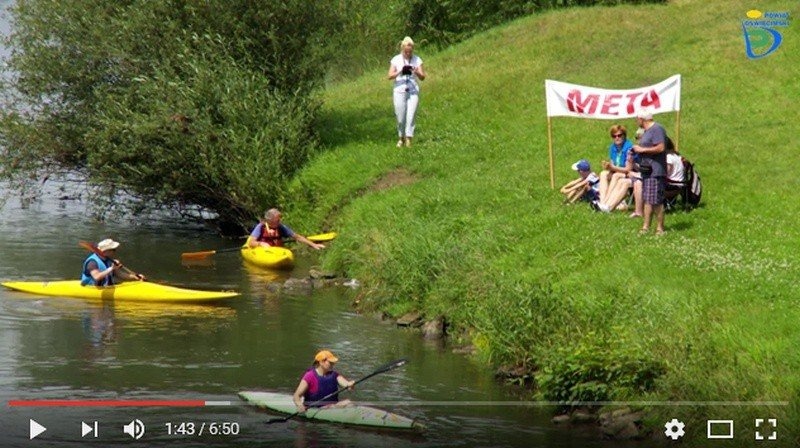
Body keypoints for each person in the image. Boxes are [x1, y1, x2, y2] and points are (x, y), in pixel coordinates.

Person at [591, 125, 644, 215]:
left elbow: (628, 169)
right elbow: (613, 163)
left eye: (619, 135)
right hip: (618, 171)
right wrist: (608, 166)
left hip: (629, 173)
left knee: (616, 175)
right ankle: (603, 201)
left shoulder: (629, 148)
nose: (617, 138)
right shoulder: (613, 148)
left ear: (624, 135)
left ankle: (605, 203)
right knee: (603, 173)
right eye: (614, 136)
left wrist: (612, 168)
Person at [632, 108, 668, 235]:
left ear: (641, 119)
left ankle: (660, 228)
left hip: (655, 170)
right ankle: (646, 226)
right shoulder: (646, 131)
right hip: (647, 170)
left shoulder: (657, 129)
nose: (637, 122)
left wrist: (642, 150)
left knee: (656, 201)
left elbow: (661, 147)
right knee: (647, 199)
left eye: (637, 119)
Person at [387, 36, 426, 148]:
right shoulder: (396, 59)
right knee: (400, 116)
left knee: (411, 114)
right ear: (402, 49)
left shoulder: (417, 59)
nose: (408, 54)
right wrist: (400, 71)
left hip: (413, 90)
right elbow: (389, 76)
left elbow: (423, 77)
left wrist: (416, 72)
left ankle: (409, 138)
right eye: (406, 52)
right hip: (399, 90)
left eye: (410, 51)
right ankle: (401, 137)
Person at [248, 208, 325, 250]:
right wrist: (260, 243)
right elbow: (251, 242)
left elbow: (297, 237)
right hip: (263, 251)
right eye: (277, 219)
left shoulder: (281, 227)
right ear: (270, 220)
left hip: (277, 251)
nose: (280, 221)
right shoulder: (261, 227)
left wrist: (313, 244)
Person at [80, 239, 145, 286]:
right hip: (92, 288)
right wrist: (111, 268)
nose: (115, 251)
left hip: (107, 287)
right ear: (105, 251)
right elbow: (97, 277)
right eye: (113, 250)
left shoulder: (108, 260)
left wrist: (135, 277)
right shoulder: (92, 262)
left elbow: (120, 275)